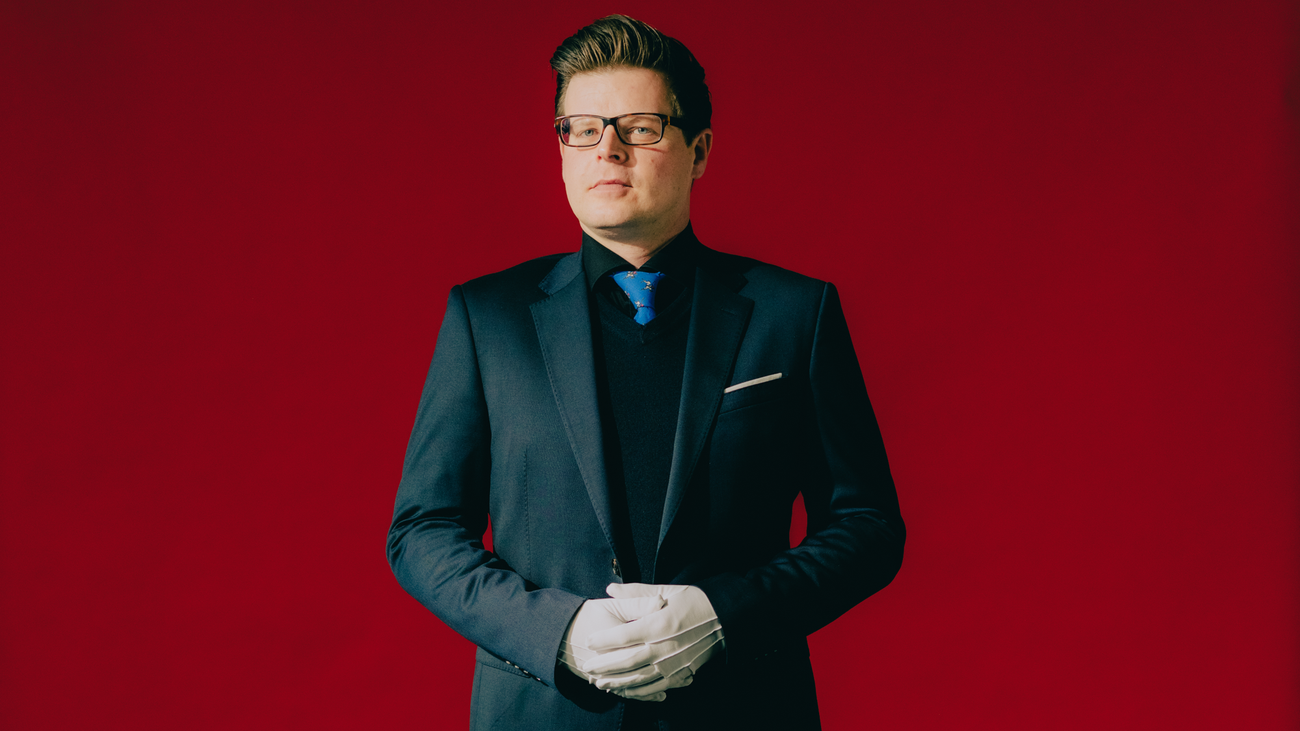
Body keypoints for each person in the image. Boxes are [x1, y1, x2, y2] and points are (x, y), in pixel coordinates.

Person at [386, 14, 904, 730]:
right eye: (582, 129)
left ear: (700, 150)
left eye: (639, 127)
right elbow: (422, 529)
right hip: (542, 712)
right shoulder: (487, 318)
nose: (608, 149)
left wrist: (725, 614)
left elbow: (867, 524)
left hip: (743, 711)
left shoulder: (795, 313)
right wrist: (557, 631)